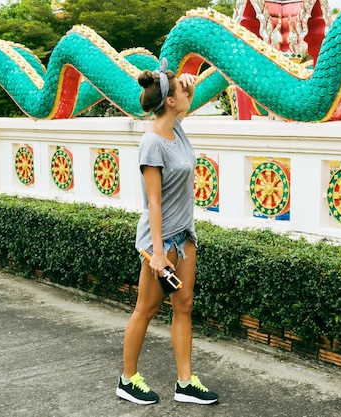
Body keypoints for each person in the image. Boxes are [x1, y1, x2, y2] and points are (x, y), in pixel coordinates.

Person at [115, 58, 218, 405]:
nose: (186, 93)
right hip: (158, 240)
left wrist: (187, 83)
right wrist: (158, 253)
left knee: (184, 305)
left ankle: (185, 383)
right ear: (169, 101)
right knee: (146, 308)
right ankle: (127, 379)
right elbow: (153, 204)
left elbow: (188, 99)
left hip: (184, 236)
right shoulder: (152, 143)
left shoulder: (176, 128)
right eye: (179, 91)